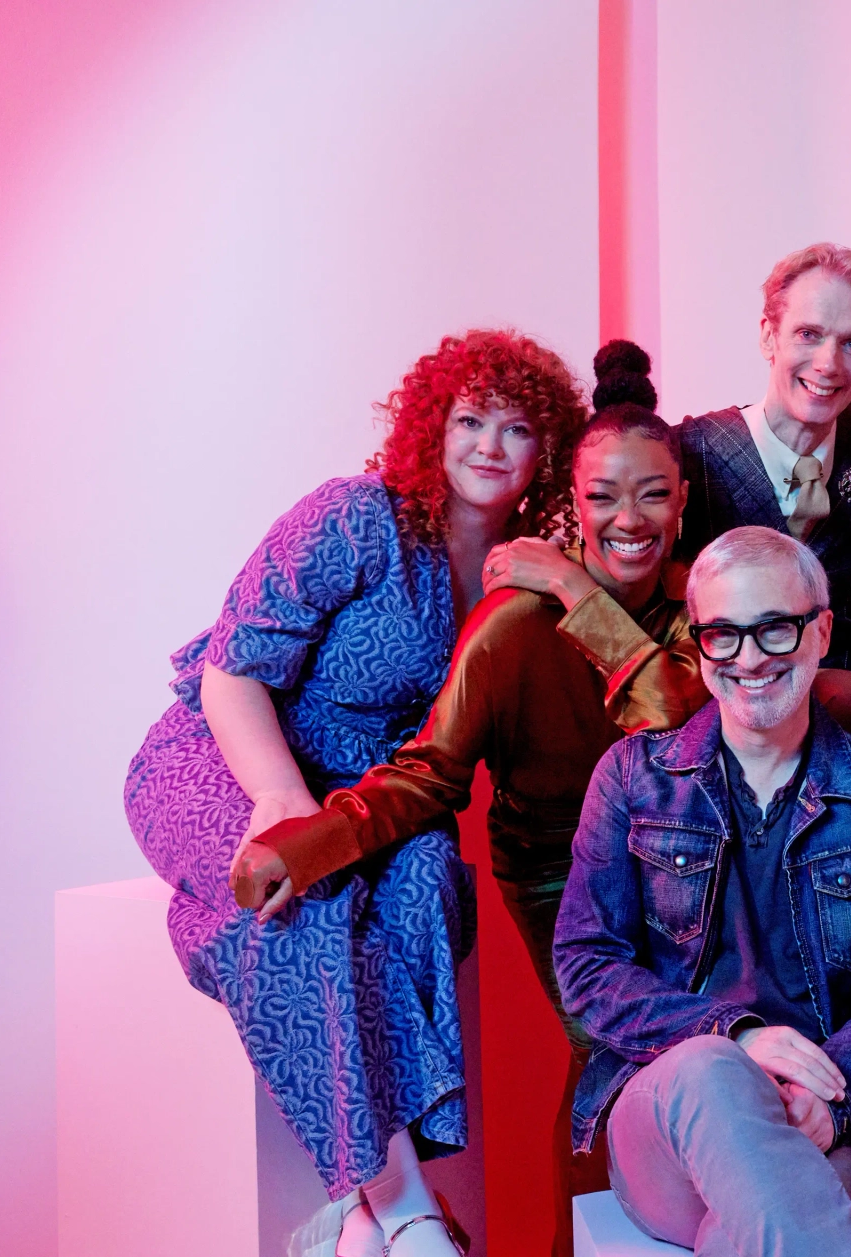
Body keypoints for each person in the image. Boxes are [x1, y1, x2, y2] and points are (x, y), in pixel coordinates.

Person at [124, 330, 589, 1257]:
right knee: (311, 892)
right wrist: (279, 799)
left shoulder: (521, 577)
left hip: (371, 801)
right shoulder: (355, 517)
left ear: (549, 450)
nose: (490, 445)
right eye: (469, 420)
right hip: (224, 759)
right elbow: (231, 674)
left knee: (425, 877)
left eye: (518, 427)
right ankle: (405, 1203)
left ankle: (360, 1223)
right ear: (431, 427)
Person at [245, 341, 704, 1257]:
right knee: (618, 1050)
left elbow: (678, 722)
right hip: (565, 879)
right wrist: (303, 841)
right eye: (603, 495)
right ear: (572, 502)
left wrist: (577, 586)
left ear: (684, 501)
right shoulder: (510, 626)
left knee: (709, 1058)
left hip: (700, 870)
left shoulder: (701, 600)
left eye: (653, 492)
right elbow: (429, 772)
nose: (629, 516)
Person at [555, 526, 851, 1256]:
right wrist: (739, 1035)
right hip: (667, 1123)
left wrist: (834, 1089)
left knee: (766, 1230)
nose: (749, 658)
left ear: (820, 632)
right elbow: (587, 964)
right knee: (710, 1065)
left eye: (775, 629)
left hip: (827, 1119)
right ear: (699, 646)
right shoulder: (632, 776)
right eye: (724, 635)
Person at [675, 243, 851, 740]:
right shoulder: (694, 451)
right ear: (768, 336)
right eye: (808, 334)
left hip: (846, 709)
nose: (829, 364)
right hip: (730, 700)